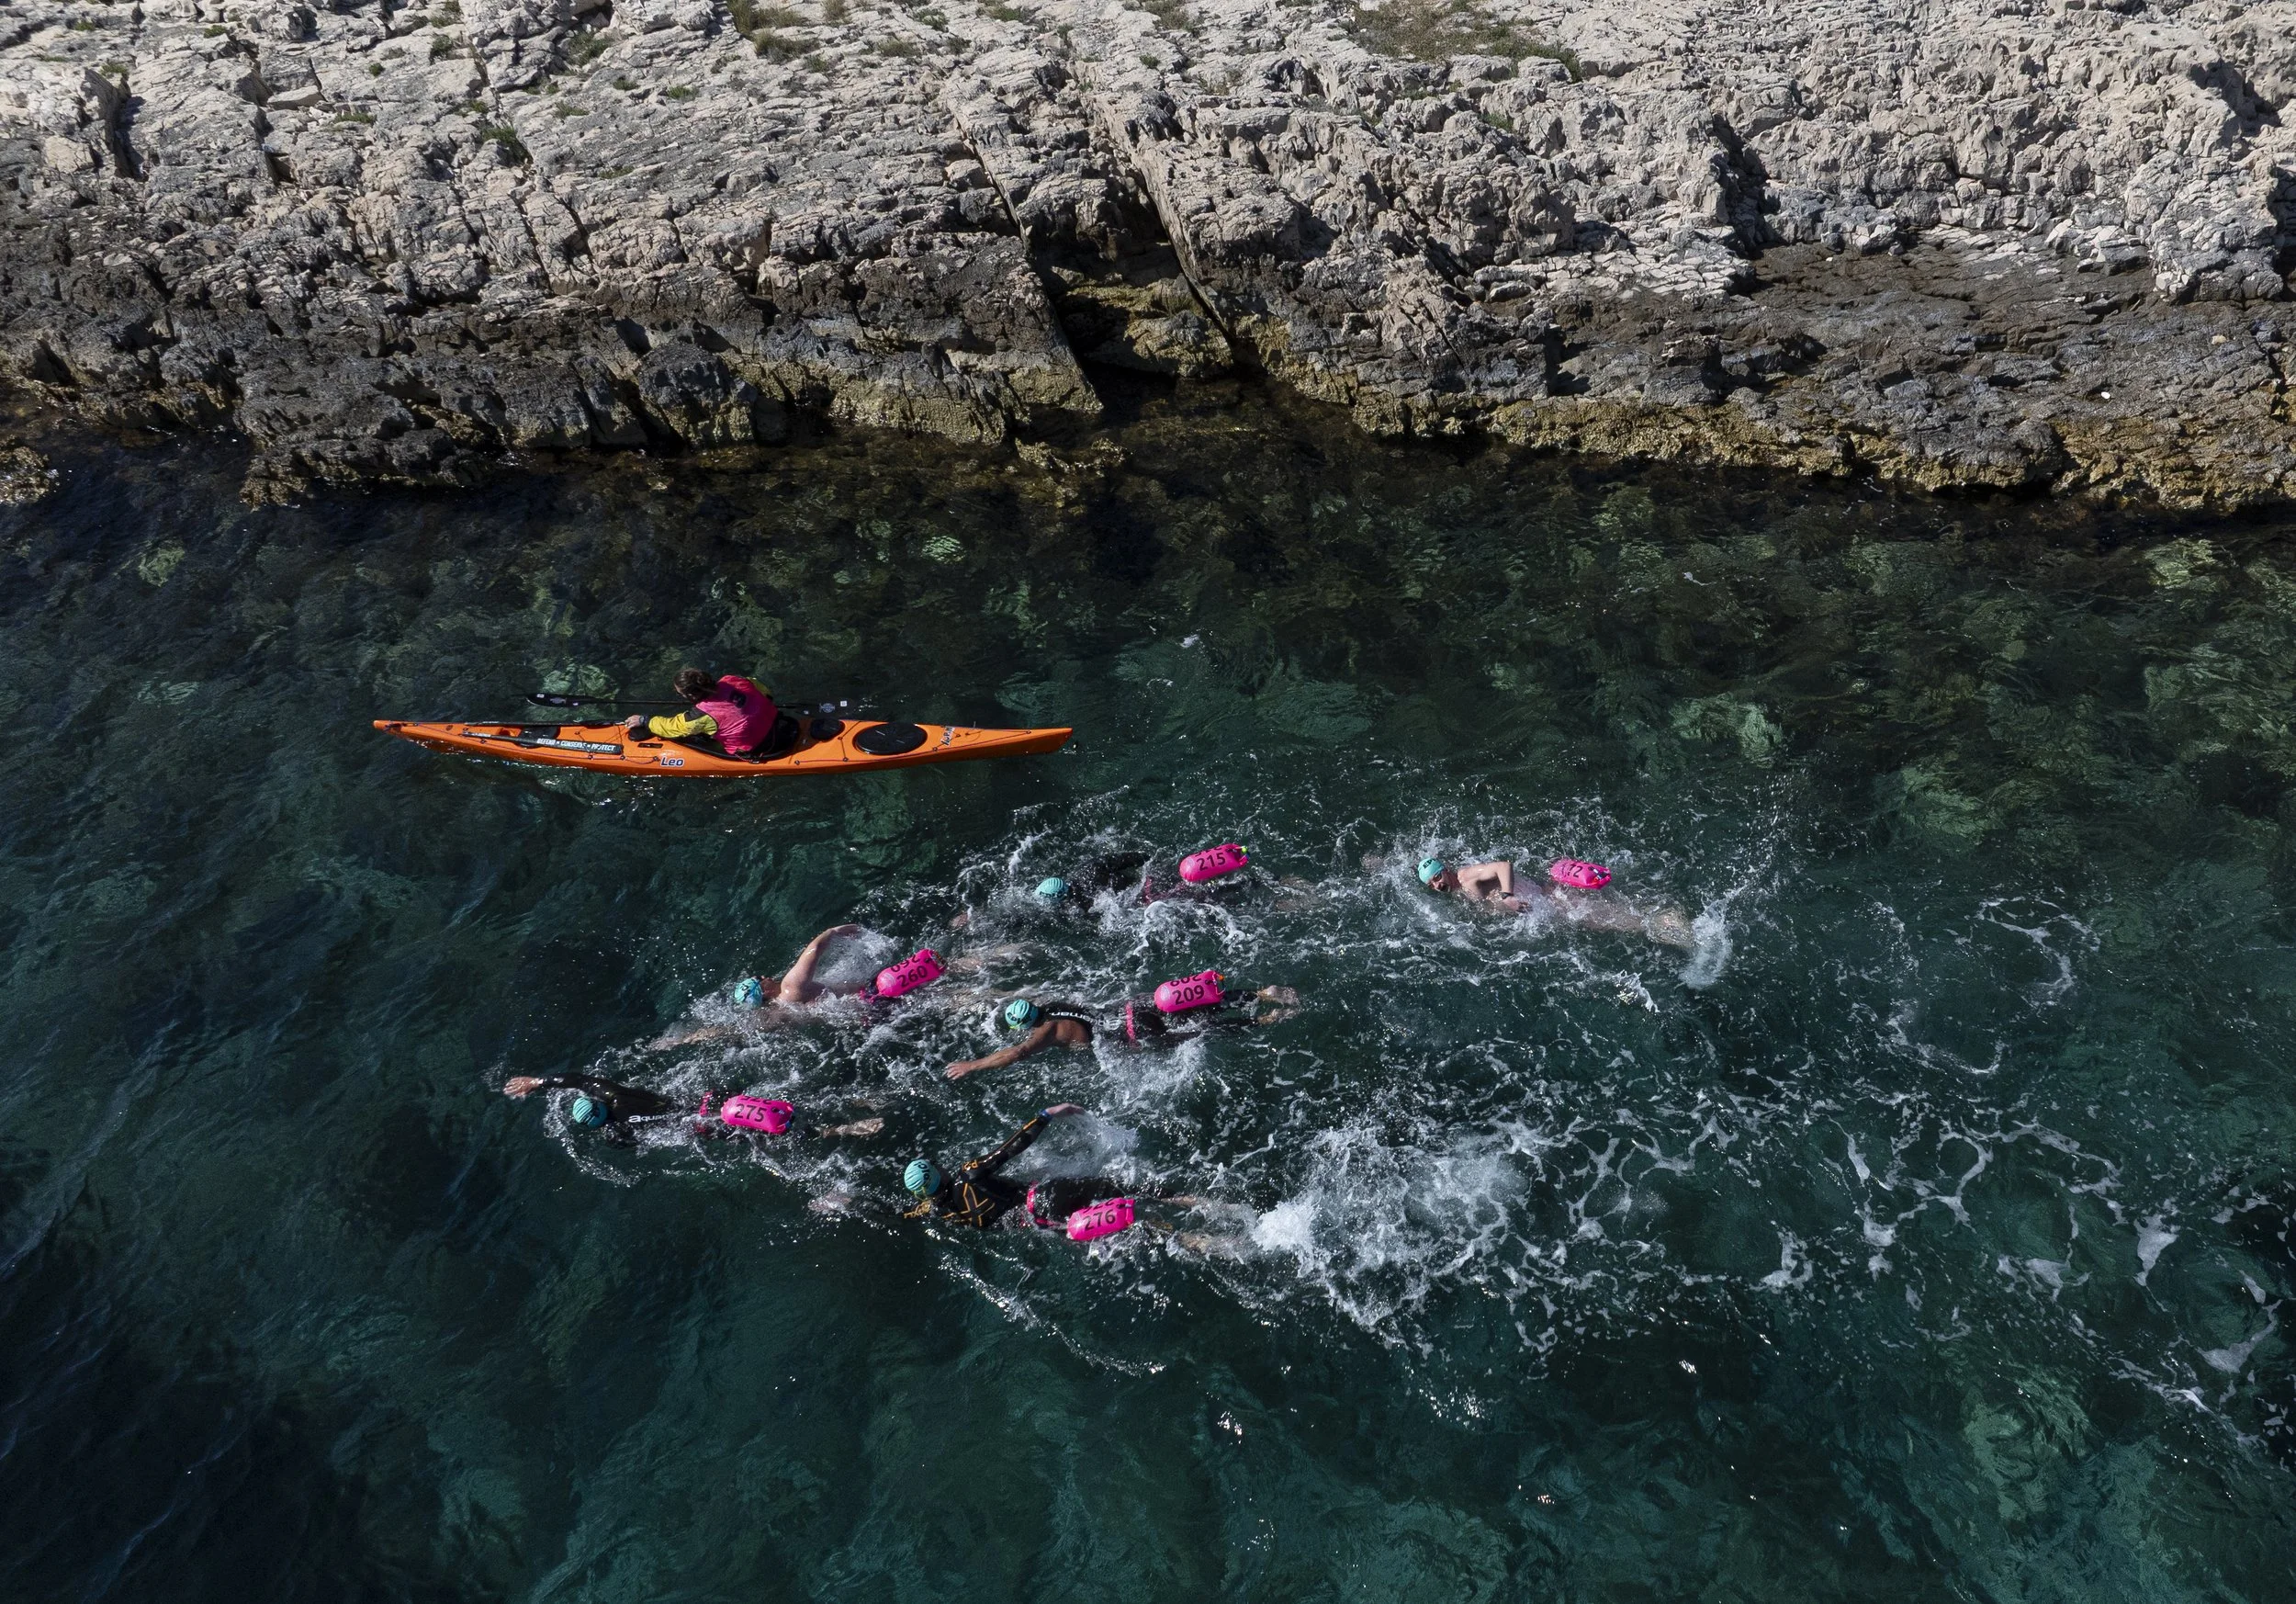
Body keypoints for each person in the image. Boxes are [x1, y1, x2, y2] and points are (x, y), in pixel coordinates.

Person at [943, 985, 1300, 1079]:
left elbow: (1017, 1053)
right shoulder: (1049, 1004)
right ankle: (1260, 994)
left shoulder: (1047, 1029)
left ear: (1027, 1025)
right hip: (1131, 1007)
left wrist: (972, 1065)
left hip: (1130, 1034)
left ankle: (1264, 1022)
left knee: (1200, 1033)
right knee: (1195, 1007)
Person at [901, 1103, 1131, 1229]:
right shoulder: (968, 1175)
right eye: (934, 1166)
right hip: (1044, 1197)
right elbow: (1011, 1147)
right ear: (937, 1174)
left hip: (1042, 1225)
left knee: (1126, 1226)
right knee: (1129, 1191)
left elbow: (907, 1214)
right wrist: (1046, 1115)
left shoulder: (939, 1212)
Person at [648, 924, 871, 1048]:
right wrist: (834, 931)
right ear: (763, 990)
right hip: (869, 997)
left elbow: (726, 1031)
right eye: (759, 977)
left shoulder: (776, 1014)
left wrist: (683, 1039)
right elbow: (814, 949)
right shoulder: (791, 987)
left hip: (857, 1020)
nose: (764, 974)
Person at [502, 1073, 883, 1144]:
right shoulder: (614, 1095)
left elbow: (633, 1143)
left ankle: (844, 1130)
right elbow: (578, 1078)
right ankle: (855, 1099)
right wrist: (538, 1082)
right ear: (597, 1102)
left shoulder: (618, 1131)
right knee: (777, 1101)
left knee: (778, 1129)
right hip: (705, 1101)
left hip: (708, 1128)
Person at [1414, 856, 1695, 948]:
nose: (1437, 886)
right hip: (1539, 903)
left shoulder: (1466, 877)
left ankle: (1664, 922)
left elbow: (1503, 865)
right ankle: (1656, 920)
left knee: (1600, 920)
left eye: (1437, 877)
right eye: (1432, 885)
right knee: (1598, 920)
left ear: (1446, 868)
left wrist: (1507, 897)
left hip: (1545, 899)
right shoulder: (1457, 889)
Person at [624, 667, 782, 756]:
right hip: (776, 724)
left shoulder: (701, 715)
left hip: (758, 747)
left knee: (692, 737)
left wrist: (645, 720)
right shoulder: (734, 679)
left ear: (690, 695)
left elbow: (673, 727)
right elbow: (766, 693)